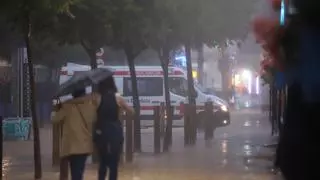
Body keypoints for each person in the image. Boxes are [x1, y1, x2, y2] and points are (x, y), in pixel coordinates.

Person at [93, 76, 134, 180]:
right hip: (115, 131)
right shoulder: (118, 98)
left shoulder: (97, 98)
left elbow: (92, 116)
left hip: (101, 131)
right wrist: (120, 111)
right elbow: (131, 111)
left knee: (102, 161)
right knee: (114, 162)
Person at [52, 88, 97, 180]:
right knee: (79, 172)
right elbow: (94, 120)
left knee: (74, 172)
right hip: (84, 144)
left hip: (71, 145)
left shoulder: (67, 106)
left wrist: (55, 109)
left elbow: (54, 119)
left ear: (73, 94)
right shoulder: (90, 105)